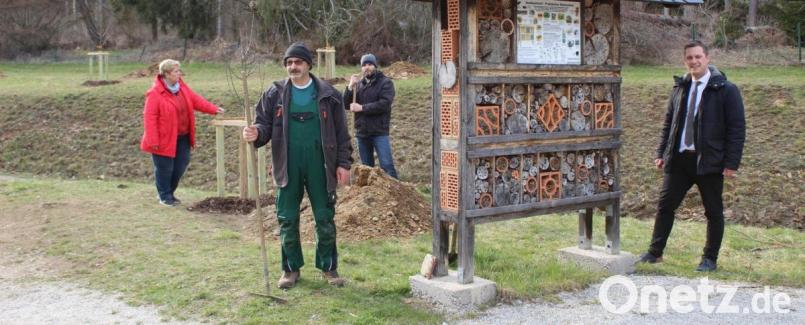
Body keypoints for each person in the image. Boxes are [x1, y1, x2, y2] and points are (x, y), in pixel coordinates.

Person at [242, 43, 353, 288]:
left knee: (325, 217)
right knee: (287, 218)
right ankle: (290, 269)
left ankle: (329, 268)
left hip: (320, 164)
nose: (293, 67)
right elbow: (263, 126)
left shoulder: (329, 94)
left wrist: (343, 164)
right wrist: (255, 133)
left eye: (298, 62)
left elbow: (342, 134)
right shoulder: (275, 93)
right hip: (287, 164)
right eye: (289, 62)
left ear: (308, 64)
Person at [637, 41, 746, 272]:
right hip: (679, 161)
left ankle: (709, 259)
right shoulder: (680, 88)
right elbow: (669, 123)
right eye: (689, 58)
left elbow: (737, 129)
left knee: (713, 212)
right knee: (665, 206)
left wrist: (731, 163)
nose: (694, 62)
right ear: (684, 61)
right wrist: (662, 153)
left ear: (707, 58)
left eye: (698, 57)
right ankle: (655, 253)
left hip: (709, 162)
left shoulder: (726, 89)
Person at [140, 59, 224, 206]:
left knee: (181, 165)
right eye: (176, 71)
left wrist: (213, 109)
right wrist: (153, 141)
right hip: (164, 138)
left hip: (183, 136)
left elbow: (196, 100)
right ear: (166, 74)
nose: (179, 74)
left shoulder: (182, 88)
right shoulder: (155, 93)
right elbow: (150, 118)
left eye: (179, 71)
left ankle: (169, 193)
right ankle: (165, 196)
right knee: (165, 168)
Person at [343, 53, 399, 179]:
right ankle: (371, 195)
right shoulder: (359, 85)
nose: (367, 67)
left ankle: (396, 196)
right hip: (362, 133)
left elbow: (384, 104)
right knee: (366, 169)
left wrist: (362, 108)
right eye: (364, 65)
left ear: (375, 66)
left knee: (387, 166)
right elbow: (345, 104)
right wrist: (350, 87)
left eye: (370, 64)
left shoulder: (385, 83)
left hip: (379, 132)